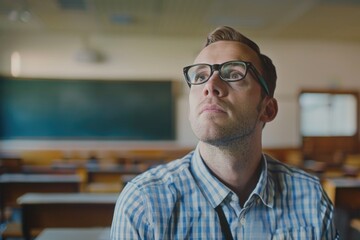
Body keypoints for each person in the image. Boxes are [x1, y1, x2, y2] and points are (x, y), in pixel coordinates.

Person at [110, 26, 339, 239]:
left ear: (267, 109)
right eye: (199, 76)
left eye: (234, 73)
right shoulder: (144, 203)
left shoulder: (310, 198)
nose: (210, 85)